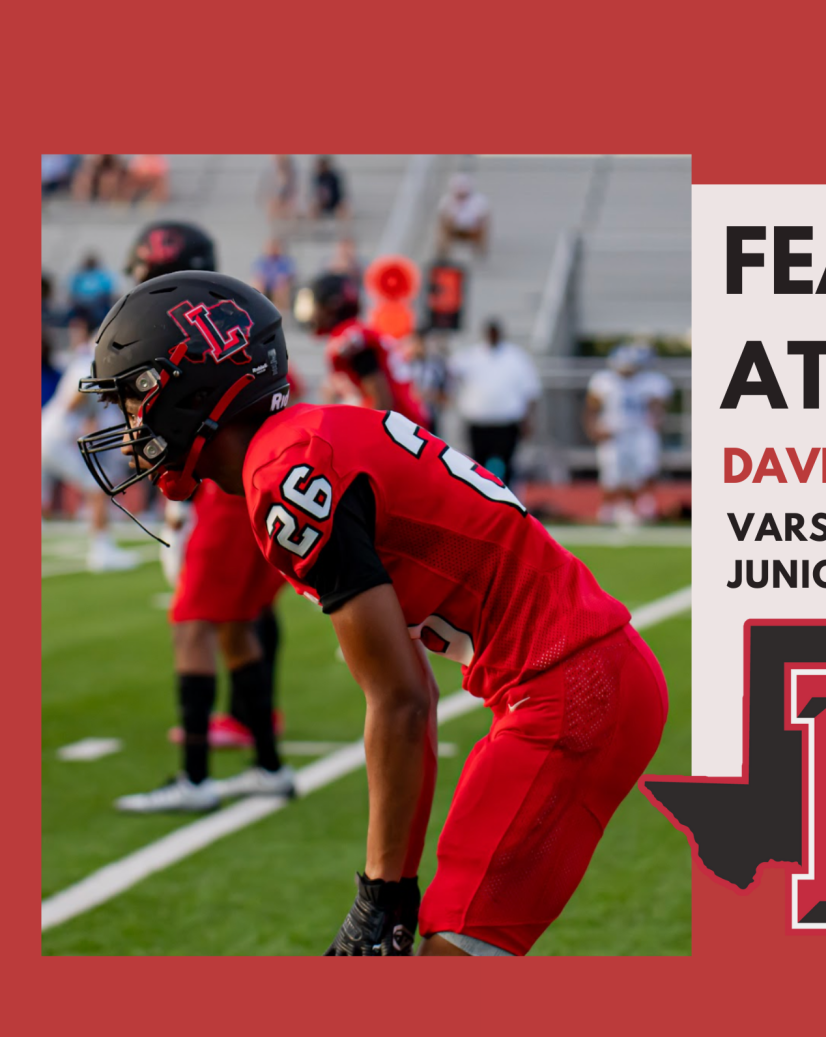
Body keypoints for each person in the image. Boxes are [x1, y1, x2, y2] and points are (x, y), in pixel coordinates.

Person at [81, 271, 668, 956]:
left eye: (137, 396)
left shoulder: (286, 475)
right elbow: (407, 689)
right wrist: (387, 892)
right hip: (574, 677)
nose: (129, 430)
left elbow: (400, 702)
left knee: (446, 959)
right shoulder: (301, 445)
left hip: (567, 687)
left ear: (197, 383)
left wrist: (381, 892)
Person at [106, 223, 294, 813]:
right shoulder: (231, 310)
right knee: (236, 626)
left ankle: (195, 777)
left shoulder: (185, 329)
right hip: (258, 482)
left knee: (193, 625)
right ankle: (267, 766)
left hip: (231, 490)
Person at [40, 312, 136, 570]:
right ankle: (102, 551)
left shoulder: (88, 363)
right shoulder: (87, 365)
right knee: (97, 488)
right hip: (55, 436)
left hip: (46, 432)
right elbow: (73, 401)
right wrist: (73, 432)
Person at [310, 272, 430, 428]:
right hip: (410, 427)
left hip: (403, 434)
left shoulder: (351, 340)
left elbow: (381, 403)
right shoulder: (353, 332)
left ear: (332, 305)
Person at [583, 343, 672, 526]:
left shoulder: (651, 382)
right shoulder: (604, 381)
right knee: (612, 472)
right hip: (614, 432)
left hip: (641, 431)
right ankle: (609, 510)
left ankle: (642, 507)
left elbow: (659, 409)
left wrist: (656, 414)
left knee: (645, 469)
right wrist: (594, 429)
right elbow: (591, 409)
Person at [446, 318, 539, 483]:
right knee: (476, 467)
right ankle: (480, 504)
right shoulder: (471, 355)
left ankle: (510, 501)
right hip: (478, 422)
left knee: (508, 465)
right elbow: (451, 371)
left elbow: (530, 391)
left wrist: (527, 420)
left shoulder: (516, 357)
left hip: (506, 423)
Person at [435, 173, 490, 259]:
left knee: (482, 226)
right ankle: (443, 251)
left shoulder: (479, 201)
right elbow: (442, 217)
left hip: (472, 229)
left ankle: (479, 249)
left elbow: (483, 217)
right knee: (443, 227)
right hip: (453, 228)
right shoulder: (446, 200)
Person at [68, 253, 117, 329]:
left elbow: (107, 292)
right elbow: (73, 293)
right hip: (82, 308)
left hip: (98, 308)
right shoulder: (79, 276)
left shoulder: (102, 275)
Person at [251, 237, 297, 309]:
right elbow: (258, 274)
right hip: (266, 286)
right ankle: (257, 308)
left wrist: (280, 280)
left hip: (278, 287)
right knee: (257, 284)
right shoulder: (262, 261)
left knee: (281, 285)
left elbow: (289, 275)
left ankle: (280, 310)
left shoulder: (285, 261)